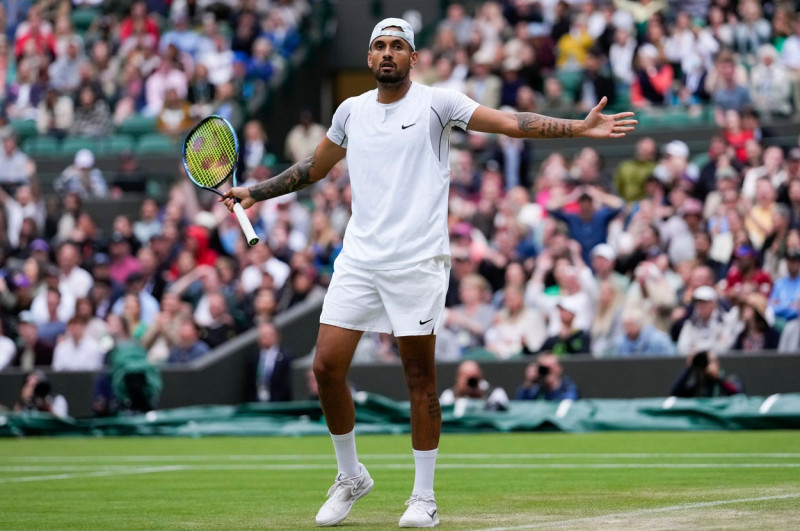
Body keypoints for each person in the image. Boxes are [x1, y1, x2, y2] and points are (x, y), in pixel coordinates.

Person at [221, 17, 636, 528]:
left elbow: (510, 122)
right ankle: (351, 476)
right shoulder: (350, 111)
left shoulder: (439, 104)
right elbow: (313, 168)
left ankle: (423, 497)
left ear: (413, 57)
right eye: (379, 46)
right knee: (326, 368)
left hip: (418, 263)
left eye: (398, 45)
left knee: (420, 378)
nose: (388, 53)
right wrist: (254, 192)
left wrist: (577, 128)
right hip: (359, 260)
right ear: (370, 59)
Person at [245, 321, 293, 403]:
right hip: (257, 404)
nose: (266, 337)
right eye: (263, 335)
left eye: (269, 334)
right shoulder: (254, 359)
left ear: (277, 336)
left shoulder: (286, 358)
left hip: (280, 405)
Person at [670, 350, 743, 398]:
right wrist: (690, 368)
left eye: (710, 361)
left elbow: (738, 395)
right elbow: (675, 394)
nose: (707, 365)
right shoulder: (697, 383)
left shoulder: (730, 379)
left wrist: (717, 378)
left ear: (717, 363)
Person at [515, 354, 580, 401]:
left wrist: (553, 387)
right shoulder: (536, 388)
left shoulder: (567, 386)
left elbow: (568, 402)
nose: (549, 372)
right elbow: (522, 405)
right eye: (545, 368)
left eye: (552, 367)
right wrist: (529, 382)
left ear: (559, 368)